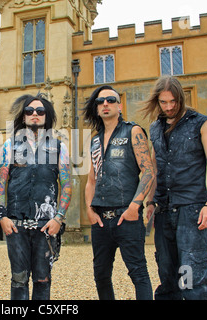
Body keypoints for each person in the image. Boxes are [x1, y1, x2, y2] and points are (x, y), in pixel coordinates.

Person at [142, 76, 207, 300]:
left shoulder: (202, 123)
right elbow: (155, 168)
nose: (168, 107)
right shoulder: (155, 128)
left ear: (181, 99)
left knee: (192, 276)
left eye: (173, 102)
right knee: (167, 275)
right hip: (163, 211)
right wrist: (150, 202)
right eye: (164, 102)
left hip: (192, 209)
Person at [0, 93, 71, 300]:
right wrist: (2, 216)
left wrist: (59, 218)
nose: (35, 114)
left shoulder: (59, 147)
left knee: (42, 280)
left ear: (47, 116)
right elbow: (1, 181)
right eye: (29, 111)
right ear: (23, 116)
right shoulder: (9, 146)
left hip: (46, 226)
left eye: (40, 111)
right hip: (16, 224)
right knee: (18, 279)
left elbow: (66, 185)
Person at [83, 85, 155, 300]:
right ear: (96, 108)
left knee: (138, 273)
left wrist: (135, 207)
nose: (105, 104)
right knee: (101, 275)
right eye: (100, 101)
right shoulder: (94, 140)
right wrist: (89, 210)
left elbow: (148, 172)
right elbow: (91, 180)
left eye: (111, 100)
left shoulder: (133, 131)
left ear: (119, 106)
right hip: (101, 221)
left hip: (127, 217)